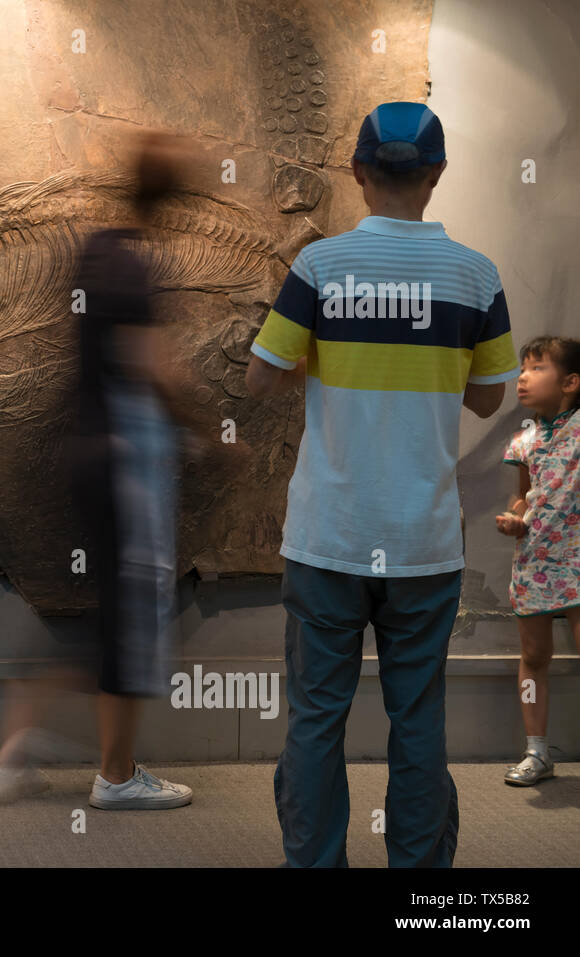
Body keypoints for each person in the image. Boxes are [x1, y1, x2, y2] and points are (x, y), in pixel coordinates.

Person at [247, 102, 519, 866]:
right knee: (420, 721)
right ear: (436, 175)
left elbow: (259, 378)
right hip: (423, 542)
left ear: (359, 173)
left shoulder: (320, 267)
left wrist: (320, 356)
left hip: (329, 535)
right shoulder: (475, 275)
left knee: (313, 718)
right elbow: (489, 395)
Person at [0, 131, 243, 810]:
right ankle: (117, 774)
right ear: (176, 199)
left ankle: (25, 728)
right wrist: (213, 434)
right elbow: (154, 367)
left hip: (90, 451)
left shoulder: (96, 250)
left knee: (113, 616)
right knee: (133, 618)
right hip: (127, 463)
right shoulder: (133, 266)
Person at [495, 335, 580, 786]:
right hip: (535, 563)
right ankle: (538, 752)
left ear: (570, 382)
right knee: (533, 656)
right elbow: (525, 496)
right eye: (523, 369)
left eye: (536, 368)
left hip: (579, 563)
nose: (523, 378)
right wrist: (515, 517)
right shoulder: (523, 438)